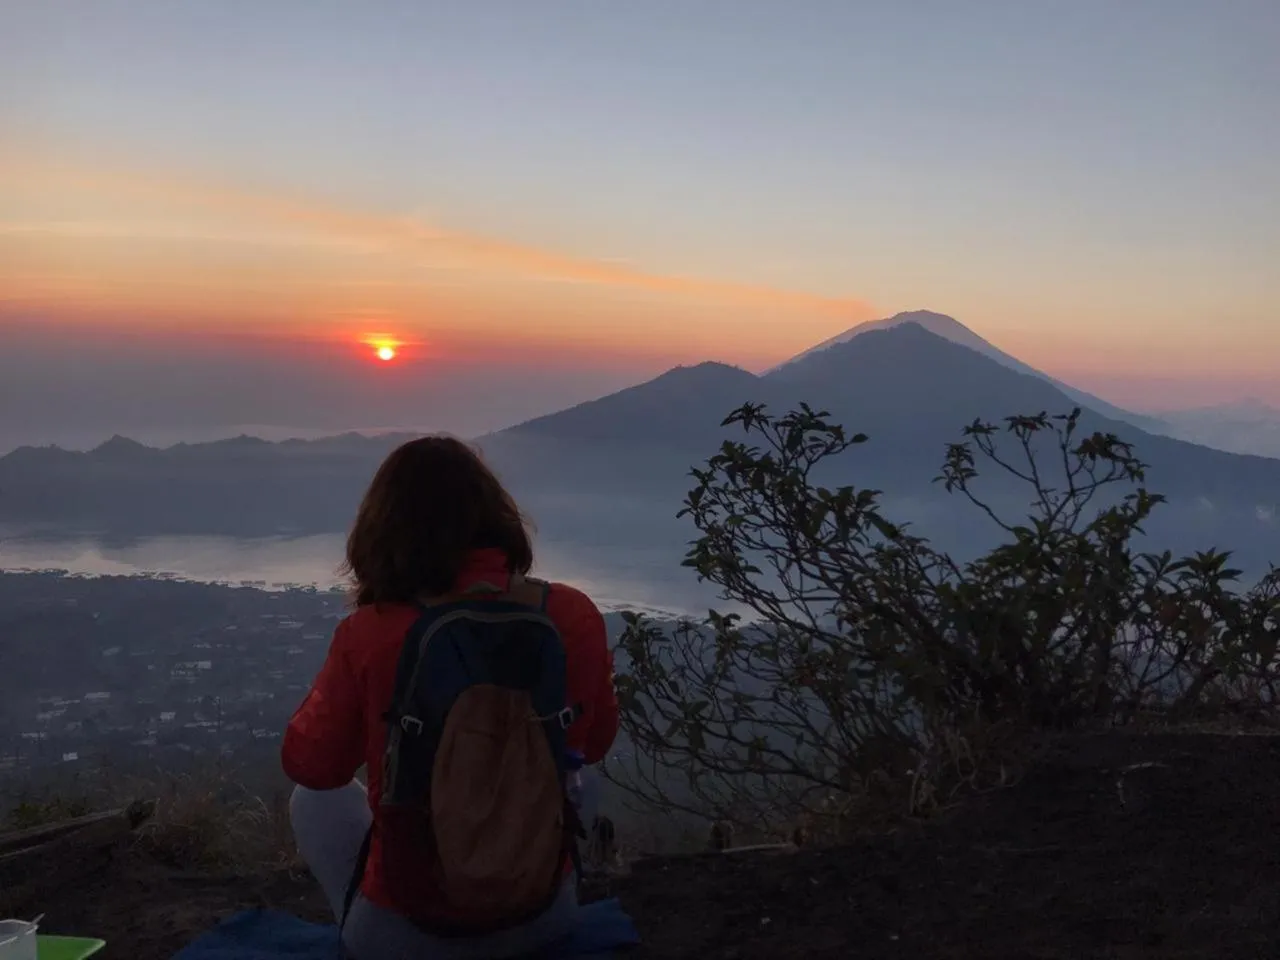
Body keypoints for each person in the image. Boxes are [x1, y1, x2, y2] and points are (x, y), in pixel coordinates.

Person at [282, 436, 620, 960]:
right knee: (578, 772)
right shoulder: (571, 614)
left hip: (406, 938)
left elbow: (312, 767)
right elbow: (594, 742)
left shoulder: (372, 632)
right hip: (546, 920)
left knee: (314, 803)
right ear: (497, 518)